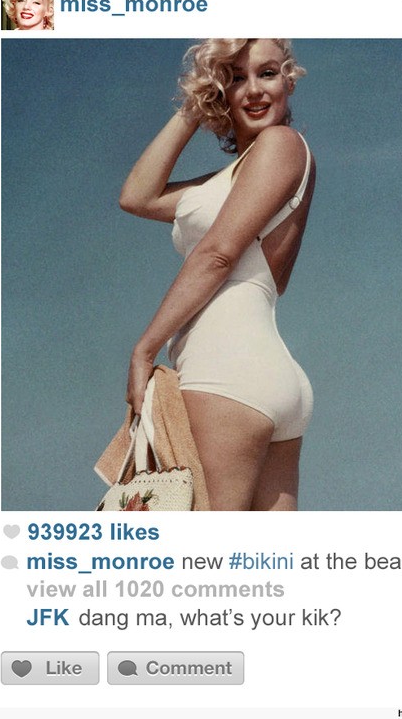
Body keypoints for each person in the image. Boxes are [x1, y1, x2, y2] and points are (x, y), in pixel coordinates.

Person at [120, 38, 316, 511]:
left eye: (267, 73)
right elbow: (137, 196)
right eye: (236, 78)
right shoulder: (230, 180)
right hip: (268, 376)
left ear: (289, 81)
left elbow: (217, 255)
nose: (254, 89)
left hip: (224, 370)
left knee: (204, 551)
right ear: (221, 91)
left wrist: (144, 349)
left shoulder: (281, 144)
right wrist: (196, 104)